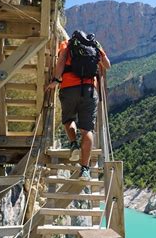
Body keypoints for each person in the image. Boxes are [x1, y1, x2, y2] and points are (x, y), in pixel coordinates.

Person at [47, 30, 111, 180]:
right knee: (87, 129)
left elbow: (61, 62)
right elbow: (107, 65)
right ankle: (85, 169)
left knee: (69, 119)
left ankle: (74, 144)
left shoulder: (67, 45)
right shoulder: (95, 45)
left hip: (68, 88)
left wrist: (56, 80)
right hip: (89, 91)